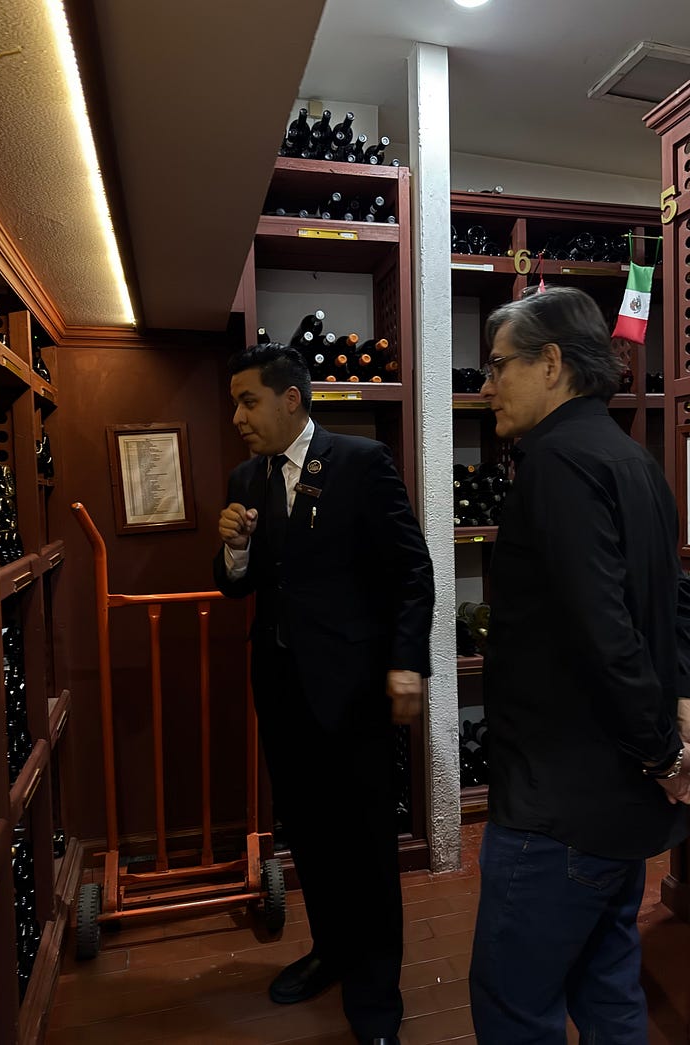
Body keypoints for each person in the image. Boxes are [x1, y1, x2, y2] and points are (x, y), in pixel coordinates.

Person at [469, 286, 690, 1044]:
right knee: (608, 988)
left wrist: (663, 749)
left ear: (551, 363)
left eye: (499, 365)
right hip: (618, 802)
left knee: (514, 1004)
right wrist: (669, 725)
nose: (488, 386)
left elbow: (605, 632)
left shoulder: (558, 463)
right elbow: (670, 603)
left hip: (558, 806)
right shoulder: (633, 459)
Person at [214, 342, 434, 1045]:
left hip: (354, 693)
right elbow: (240, 585)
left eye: (248, 401)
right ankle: (331, 950)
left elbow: (413, 571)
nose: (238, 417)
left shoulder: (361, 463)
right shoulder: (245, 477)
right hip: (282, 694)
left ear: (291, 398)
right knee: (308, 836)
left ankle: (376, 998)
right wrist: (234, 550)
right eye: (234, 404)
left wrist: (407, 662)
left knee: (365, 847)